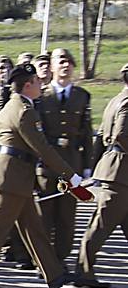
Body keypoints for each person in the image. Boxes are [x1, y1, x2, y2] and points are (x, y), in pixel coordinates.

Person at [0, 63, 84, 288]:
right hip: (12, 178)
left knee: (34, 228)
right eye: (37, 82)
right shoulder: (25, 111)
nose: (41, 85)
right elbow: (42, 147)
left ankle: (53, 274)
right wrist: (70, 175)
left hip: (14, 176)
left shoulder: (11, 106)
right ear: (28, 85)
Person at [74, 61, 128, 288]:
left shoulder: (116, 99)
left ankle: (84, 271)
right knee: (100, 226)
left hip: (116, 171)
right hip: (120, 173)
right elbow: (122, 135)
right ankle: (83, 272)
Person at [36, 48, 93, 261]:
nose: (65, 65)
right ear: (51, 66)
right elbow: (36, 133)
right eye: (61, 61)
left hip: (71, 162)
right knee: (45, 215)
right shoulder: (41, 96)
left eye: (69, 61)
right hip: (47, 163)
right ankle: (43, 261)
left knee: (67, 216)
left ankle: (60, 260)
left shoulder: (81, 96)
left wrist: (87, 165)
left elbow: (86, 133)